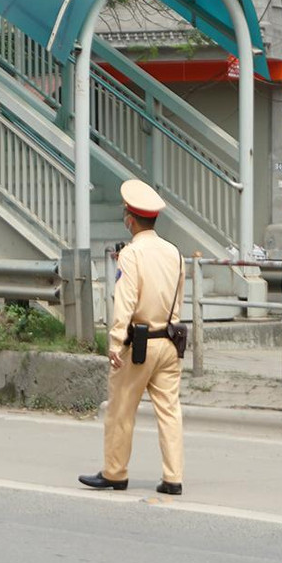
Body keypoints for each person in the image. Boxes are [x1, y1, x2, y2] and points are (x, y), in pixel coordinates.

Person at [79, 179, 185, 497]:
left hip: (138, 345)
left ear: (130, 218)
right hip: (170, 340)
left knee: (121, 410)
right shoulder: (174, 252)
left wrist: (114, 342)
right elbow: (177, 298)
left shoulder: (131, 255)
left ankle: (115, 472)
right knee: (170, 411)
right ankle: (173, 477)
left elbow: (125, 301)